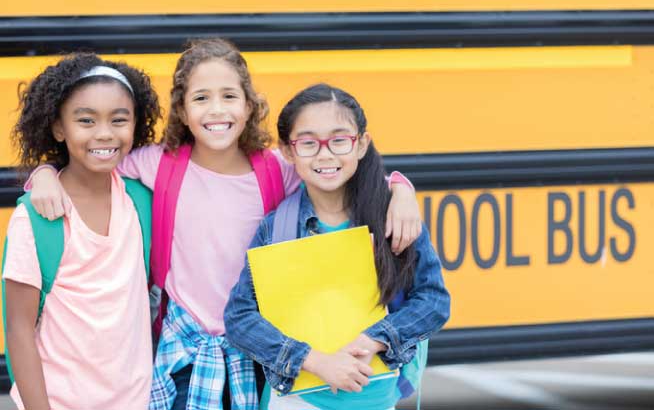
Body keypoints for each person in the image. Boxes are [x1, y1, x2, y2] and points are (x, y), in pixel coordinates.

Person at [26, 39, 423, 409]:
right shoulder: (158, 165)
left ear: (250, 106)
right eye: (201, 98)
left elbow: (337, 169)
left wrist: (401, 190)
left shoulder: (275, 170)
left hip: (259, 348)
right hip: (183, 352)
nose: (217, 110)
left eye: (229, 97)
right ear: (182, 110)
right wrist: (45, 172)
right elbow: (93, 159)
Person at [224, 83, 451, 410]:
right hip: (295, 401)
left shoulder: (392, 218)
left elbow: (433, 300)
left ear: (361, 145)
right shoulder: (278, 227)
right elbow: (240, 316)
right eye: (308, 142)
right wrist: (314, 361)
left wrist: (375, 339)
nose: (325, 154)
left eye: (339, 139)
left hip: (377, 400)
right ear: (288, 151)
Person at [2, 53, 161, 410]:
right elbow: (18, 330)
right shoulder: (37, 217)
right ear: (59, 128)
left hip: (138, 400)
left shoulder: (141, 199)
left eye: (119, 119)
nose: (104, 133)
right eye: (86, 120)